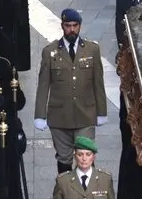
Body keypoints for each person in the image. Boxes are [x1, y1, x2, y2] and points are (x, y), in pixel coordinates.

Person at [34, 9, 108, 173]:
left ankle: (87, 189)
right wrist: (40, 115)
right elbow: (43, 86)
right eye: (68, 26)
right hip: (60, 117)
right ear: (62, 26)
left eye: (75, 25)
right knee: (64, 160)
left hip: (85, 115)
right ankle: (65, 189)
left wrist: (101, 112)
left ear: (80, 26)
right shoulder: (49, 52)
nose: (72, 29)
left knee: (85, 157)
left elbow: (98, 83)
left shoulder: (92, 50)